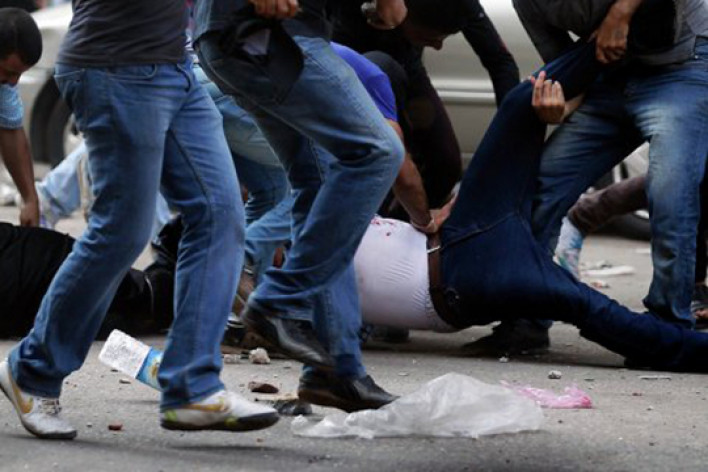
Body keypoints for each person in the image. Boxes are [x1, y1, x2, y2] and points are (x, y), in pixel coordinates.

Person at [0, 0, 278, 440]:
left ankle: (193, 385)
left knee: (221, 215)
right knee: (121, 232)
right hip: (114, 66)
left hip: (176, 66)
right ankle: (32, 371)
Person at [352, 42, 708, 373]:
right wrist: (423, 218)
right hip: (460, 277)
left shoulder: (330, 198)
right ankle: (624, 33)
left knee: (522, 104)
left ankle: (623, 33)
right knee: (593, 310)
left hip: (462, 234)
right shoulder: (318, 264)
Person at [194, 0, 406, 413]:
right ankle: (280, 300)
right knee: (378, 152)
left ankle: (336, 371)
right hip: (267, 34)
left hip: (237, 36)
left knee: (319, 183)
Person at [469, 0, 708, 356]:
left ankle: (667, 329)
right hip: (611, 78)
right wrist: (559, 109)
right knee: (540, 189)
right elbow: (569, 69)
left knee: (671, 192)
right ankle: (526, 320)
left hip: (683, 67)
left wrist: (620, 13)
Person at [331, 0, 520, 212]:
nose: (438, 46)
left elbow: (501, 62)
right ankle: (373, 222)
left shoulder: (463, 4)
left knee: (445, 165)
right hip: (350, 76)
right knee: (388, 168)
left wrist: (510, 134)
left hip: (406, 67)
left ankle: (405, 225)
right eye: (431, 36)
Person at [0, 7, 40, 227]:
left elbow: (12, 131)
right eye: (9, 72)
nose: (14, 82)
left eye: (20, 74)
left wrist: (30, 199)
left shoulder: (4, 86)